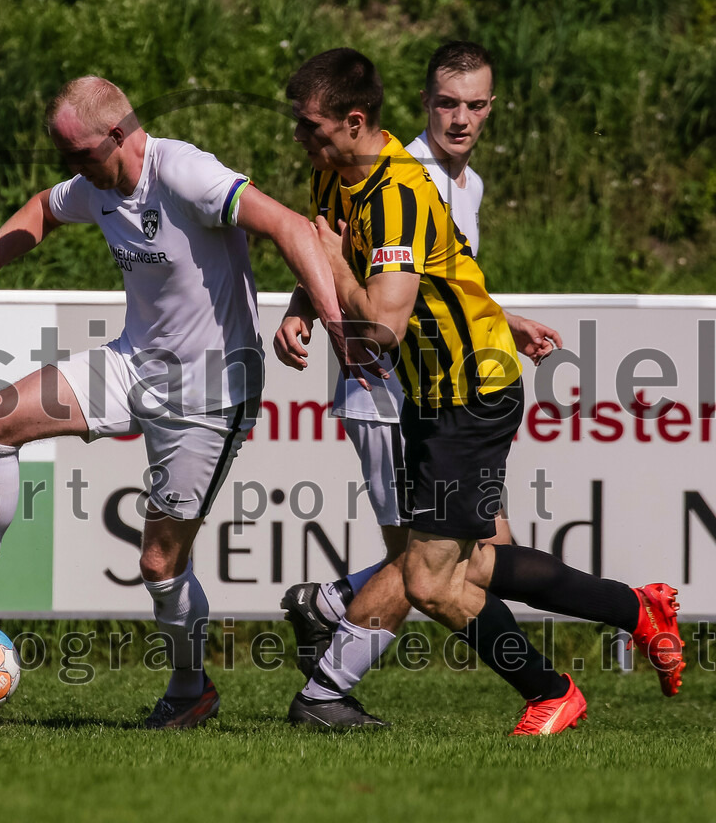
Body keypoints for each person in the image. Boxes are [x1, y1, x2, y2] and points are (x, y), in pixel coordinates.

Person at [0, 75, 346, 729]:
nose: (73, 169)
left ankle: (191, 689)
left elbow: (292, 227)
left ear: (119, 135)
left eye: (79, 155)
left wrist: (335, 324)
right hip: (131, 365)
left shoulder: (184, 173)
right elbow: (42, 208)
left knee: (159, 564)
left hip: (209, 397)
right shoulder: (95, 182)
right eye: (64, 157)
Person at [276, 48, 685, 734]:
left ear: (354, 122)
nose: (298, 137)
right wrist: (302, 305)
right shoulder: (334, 173)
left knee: (428, 578)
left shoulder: (399, 194)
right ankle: (635, 608)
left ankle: (551, 691)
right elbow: (351, 256)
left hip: (470, 395)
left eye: (309, 126)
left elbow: (382, 324)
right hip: (430, 394)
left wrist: (334, 269)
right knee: (470, 559)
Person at [280, 42, 559, 690]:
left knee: (476, 551)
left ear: (492, 107)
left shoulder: (469, 183)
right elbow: (348, 259)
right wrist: (302, 303)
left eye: (476, 105)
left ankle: (330, 611)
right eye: (447, 104)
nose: (461, 119)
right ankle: (328, 684)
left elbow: (437, 281)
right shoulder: (401, 174)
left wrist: (505, 320)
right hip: (391, 391)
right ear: (424, 103)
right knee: (427, 559)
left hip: (448, 390)